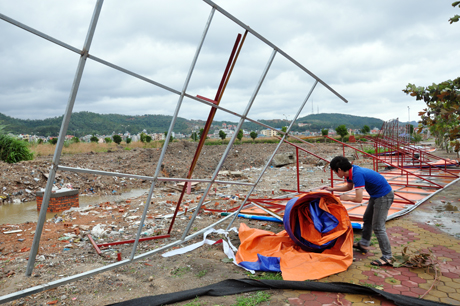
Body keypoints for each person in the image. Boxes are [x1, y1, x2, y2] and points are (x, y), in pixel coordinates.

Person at [321, 156, 394, 266]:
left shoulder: (357, 174)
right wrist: (331, 189)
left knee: (378, 227)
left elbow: (359, 199)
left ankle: (387, 257)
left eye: (335, 172)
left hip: (384, 196)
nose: (336, 174)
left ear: (339, 170)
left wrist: (347, 198)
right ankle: (364, 244)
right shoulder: (350, 172)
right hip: (376, 195)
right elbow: (349, 187)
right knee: (367, 219)